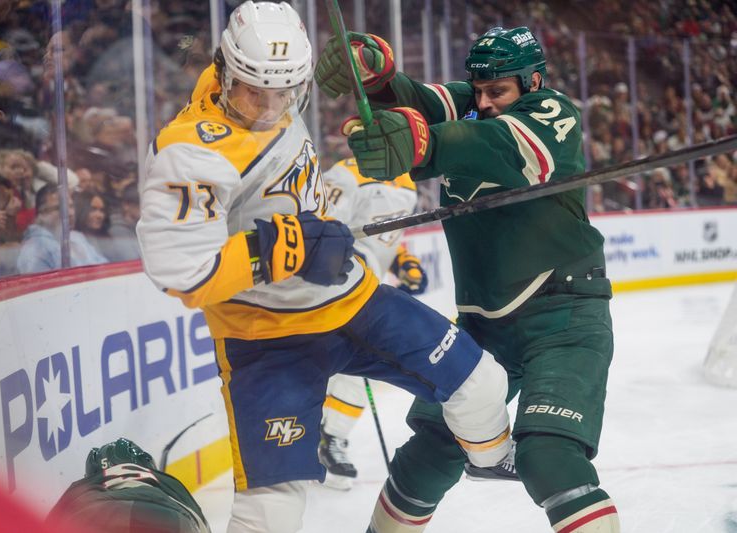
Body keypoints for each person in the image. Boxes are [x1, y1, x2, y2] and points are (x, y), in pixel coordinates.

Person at [137, 3, 513, 532]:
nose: (270, 107)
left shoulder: (273, 89)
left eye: (285, 93)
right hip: (267, 339)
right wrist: (288, 246)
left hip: (354, 302)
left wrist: (372, 79)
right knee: (274, 510)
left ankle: (492, 457)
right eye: (254, 91)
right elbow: (182, 271)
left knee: (482, 381)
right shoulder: (190, 153)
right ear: (224, 71)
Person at [316, 26, 620, 532]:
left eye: (496, 91)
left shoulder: (553, 113)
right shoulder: (475, 103)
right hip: (486, 326)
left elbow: (498, 146)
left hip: (563, 313)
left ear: (533, 82)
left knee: (548, 458)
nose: (483, 102)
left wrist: (422, 142)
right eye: (477, 90)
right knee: (429, 452)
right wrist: (375, 75)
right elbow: (413, 101)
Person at [318, 157, 427, 489]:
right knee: (347, 361)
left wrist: (403, 260)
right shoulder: (345, 174)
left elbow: (389, 236)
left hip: (370, 284)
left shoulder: (407, 180)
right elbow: (320, 228)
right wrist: (351, 266)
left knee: (357, 364)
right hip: (337, 286)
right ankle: (319, 438)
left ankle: (329, 438)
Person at [48, 438, 211, 533]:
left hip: (92, 514)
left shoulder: (85, 487)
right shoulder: (169, 485)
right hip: (172, 520)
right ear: (148, 466)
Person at [17, 183, 107, 273]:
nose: (70, 213)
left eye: (71, 206)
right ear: (42, 213)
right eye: (60, 208)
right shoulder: (34, 250)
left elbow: (104, 267)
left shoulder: (77, 237)